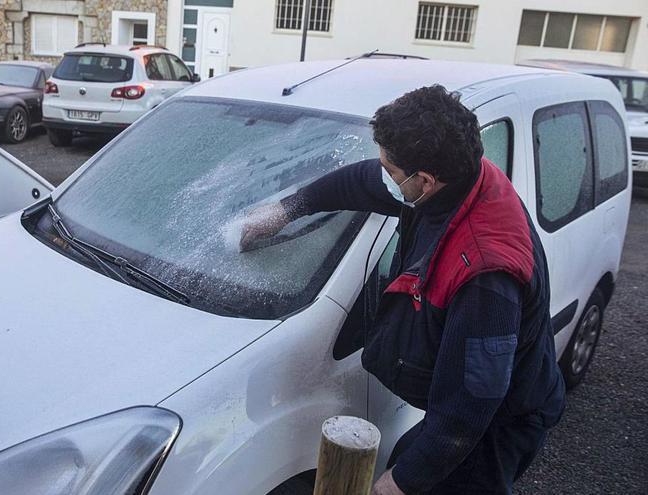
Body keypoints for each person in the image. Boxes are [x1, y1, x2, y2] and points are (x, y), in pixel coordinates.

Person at [239, 85, 565, 494]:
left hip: (499, 422)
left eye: (392, 172)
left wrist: (398, 485)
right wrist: (285, 211)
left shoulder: (485, 277)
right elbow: (362, 183)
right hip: (467, 406)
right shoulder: (460, 177)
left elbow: (471, 405)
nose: (384, 177)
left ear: (425, 181)